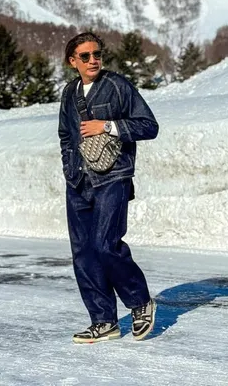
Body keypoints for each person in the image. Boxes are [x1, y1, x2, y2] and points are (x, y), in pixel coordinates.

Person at [58, 32, 159, 344]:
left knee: (106, 245)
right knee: (84, 253)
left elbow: (149, 126)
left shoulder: (117, 85)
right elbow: (65, 134)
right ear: (72, 61)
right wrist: (69, 167)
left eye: (97, 54)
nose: (93, 60)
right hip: (78, 181)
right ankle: (103, 321)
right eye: (85, 56)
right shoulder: (70, 92)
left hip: (113, 177)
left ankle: (141, 302)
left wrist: (108, 126)